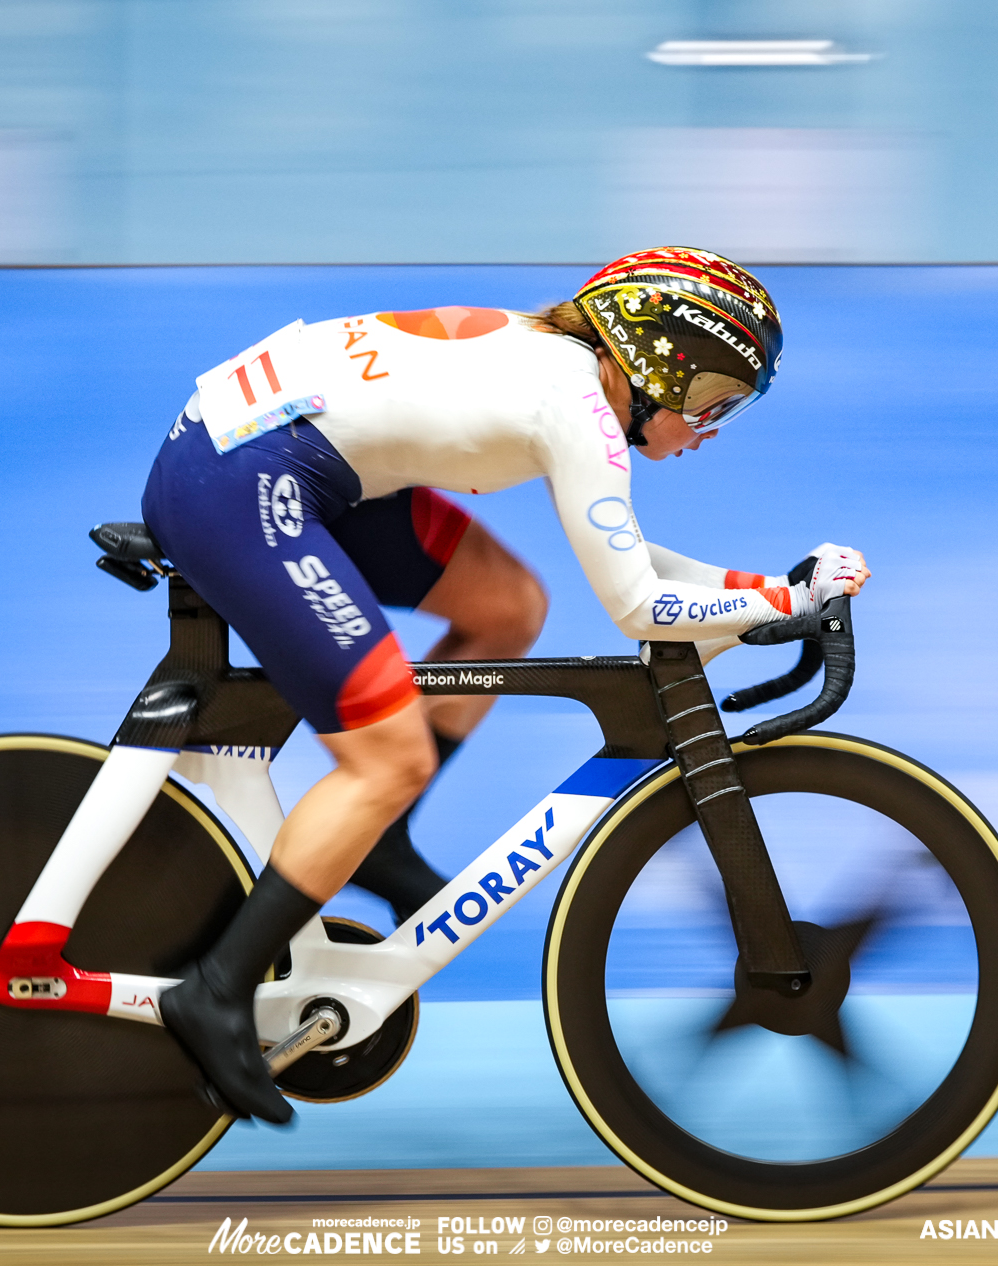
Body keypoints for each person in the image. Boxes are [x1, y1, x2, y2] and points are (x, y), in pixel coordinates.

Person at [143, 247, 870, 1124]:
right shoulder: (575, 407)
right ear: (655, 359)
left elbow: (632, 563)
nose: (712, 426)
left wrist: (766, 593)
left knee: (506, 604)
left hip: (280, 451)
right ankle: (215, 990)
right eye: (714, 397)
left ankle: (373, 840)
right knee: (386, 759)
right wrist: (787, 598)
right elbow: (640, 606)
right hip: (244, 479)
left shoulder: (567, 371)